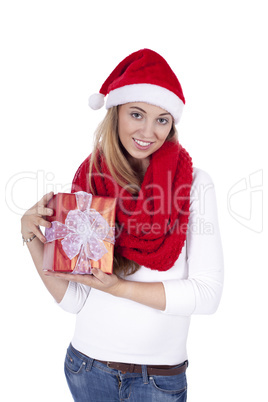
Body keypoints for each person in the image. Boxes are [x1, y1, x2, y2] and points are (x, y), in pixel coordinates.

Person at [21, 49, 224, 402]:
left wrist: (117, 289)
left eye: (162, 119)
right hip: (86, 367)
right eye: (136, 114)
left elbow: (206, 296)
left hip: (157, 380)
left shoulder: (193, 184)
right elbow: (74, 300)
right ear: (115, 114)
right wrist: (29, 234)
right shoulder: (89, 179)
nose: (149, 131)